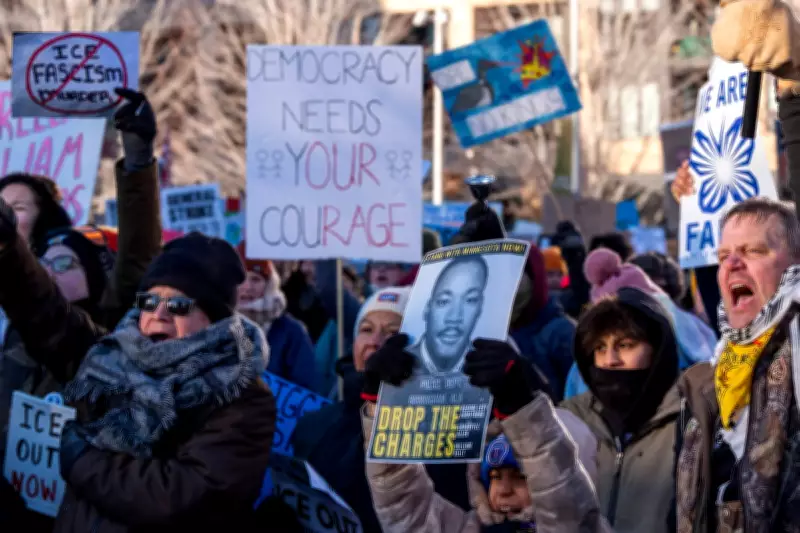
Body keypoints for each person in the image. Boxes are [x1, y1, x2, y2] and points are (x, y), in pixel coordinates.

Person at [0, 89, 162, 529]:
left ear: (96, 274)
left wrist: (139, 159)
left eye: (65, 265)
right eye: (43, 266)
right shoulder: (15, 339)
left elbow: (138, 257)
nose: (49, 273)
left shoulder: (115, 336)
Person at [359, 333, 609, 533]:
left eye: (521, 477)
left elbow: (562, 500)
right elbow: (404, 507)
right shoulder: (470, 528)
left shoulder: (578, 523)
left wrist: (521, 408)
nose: (504, 490)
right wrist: (386, 411)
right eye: (495, 476)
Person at [292, 287, 472, 532]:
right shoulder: (314, 425)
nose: (375, 342)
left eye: (392, 333)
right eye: (366, 330)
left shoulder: (448, 430)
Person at [562, 287, 681, 533]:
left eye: (625, 345)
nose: (610, 360)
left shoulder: (691, 419)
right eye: (600, 348)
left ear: (657, 350)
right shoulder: (571, 419)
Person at [236, 243, 316, 390]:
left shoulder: (292, 332)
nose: (247, 287)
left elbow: (305, 391)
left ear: (269, 285)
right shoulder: (214, 326)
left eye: (255, 279)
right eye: (241, 278)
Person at [407, 255, 489, 375]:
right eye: (443, 301)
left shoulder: (492, 367)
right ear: (427, 308)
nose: (454, 317)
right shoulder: (397, 364)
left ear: (480, 308)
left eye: (470, 300)